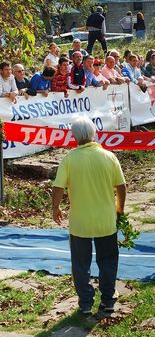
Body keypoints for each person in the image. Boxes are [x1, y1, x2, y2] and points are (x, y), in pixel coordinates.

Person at [52, 116, 126, 314]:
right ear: (94, 133)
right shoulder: (108, 156)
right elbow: (121, 186)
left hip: (80, 223)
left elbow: (58, 187)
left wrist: (55, 208)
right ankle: (108, 299)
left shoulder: (69, 159)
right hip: (105, 221)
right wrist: (120, 208)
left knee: (80, 264)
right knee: (108, 260)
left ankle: (85, 302)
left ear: (74, 137)